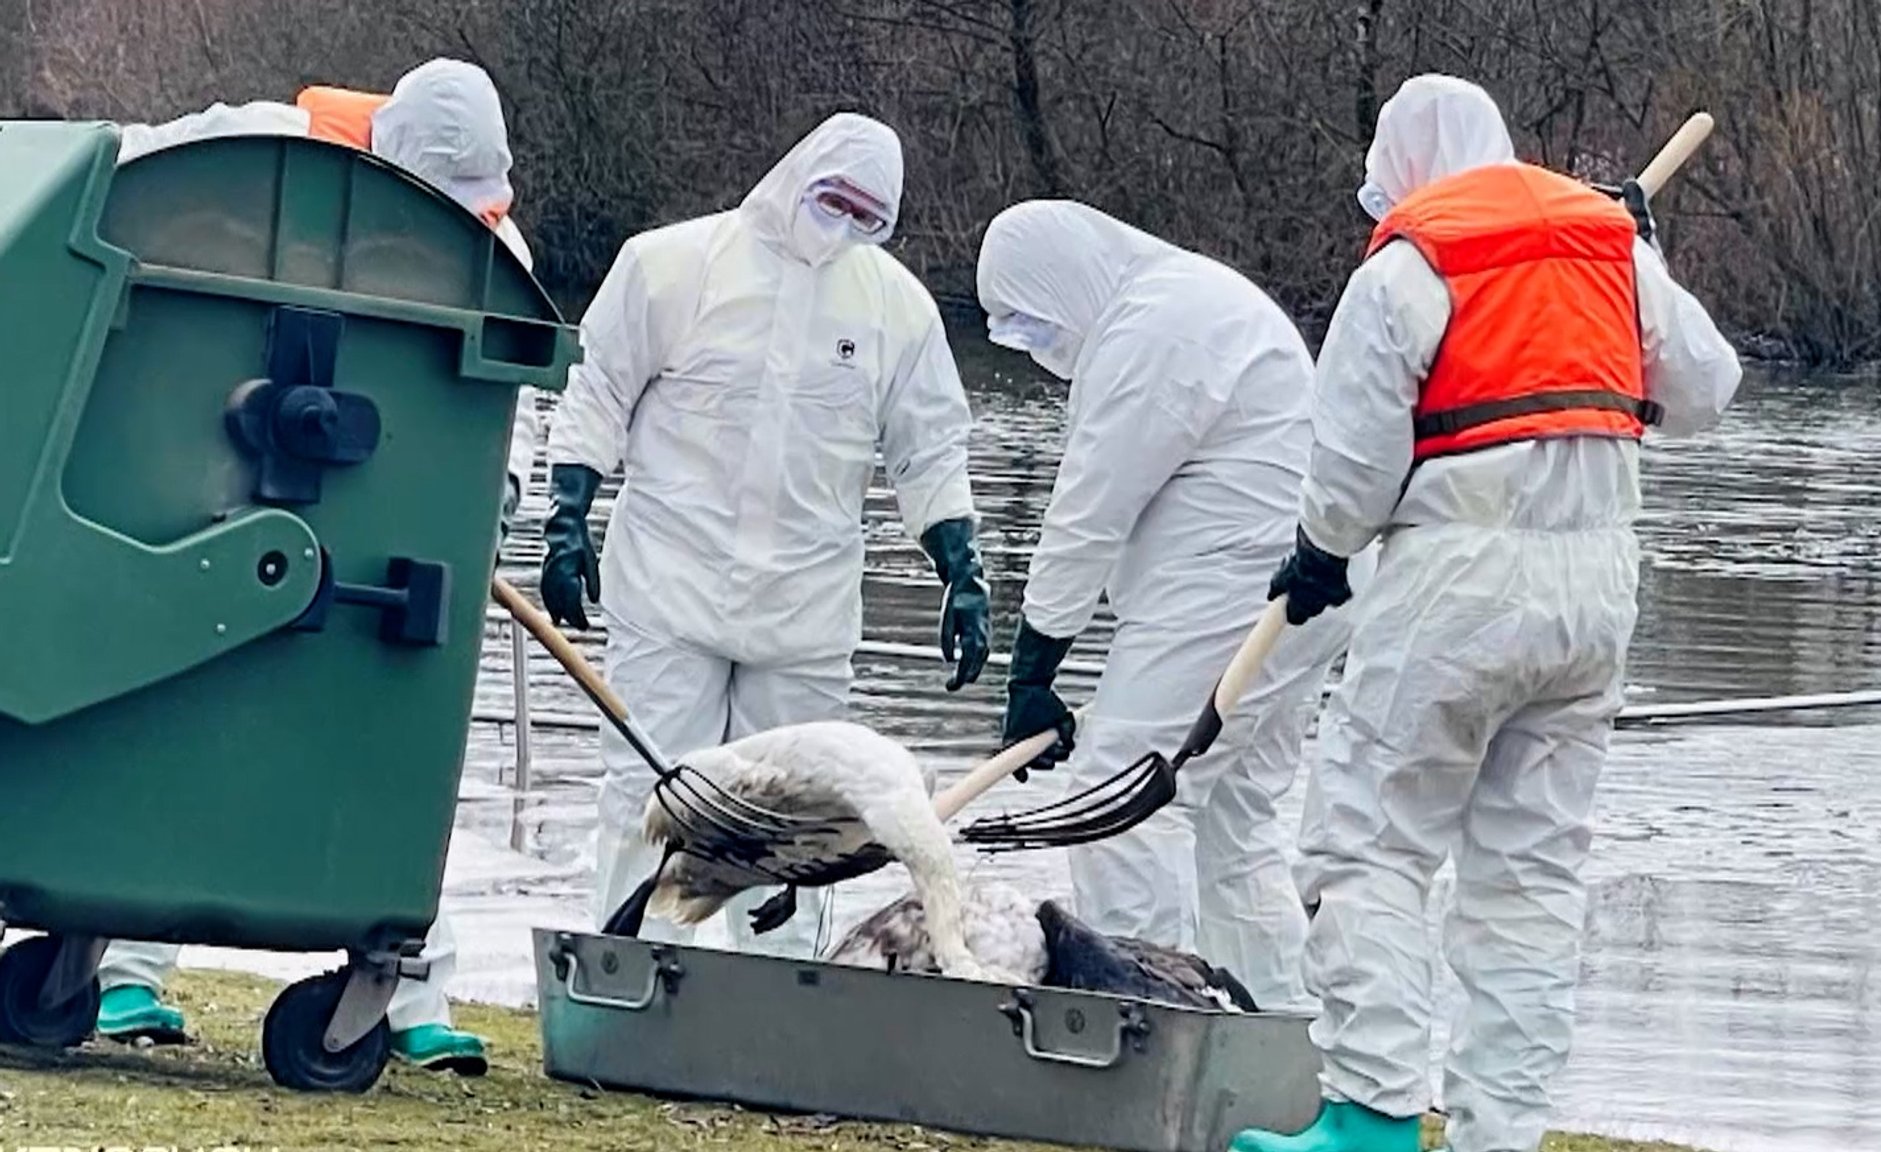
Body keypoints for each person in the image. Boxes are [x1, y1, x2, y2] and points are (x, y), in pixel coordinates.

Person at [1229, 75, 1743, 1152]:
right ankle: (1498, 1134)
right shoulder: (1607, 243)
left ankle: (1369, 1119)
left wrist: (1319, 554)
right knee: (1529, 878)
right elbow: (1705, 389)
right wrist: (1641, 258)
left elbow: (1353, 470)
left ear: (1401, 169)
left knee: (1370, 846)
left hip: (1454, 588)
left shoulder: (1409, 263)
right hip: (1593, 596)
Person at [92, 57, 543, 1076]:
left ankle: (407, 989)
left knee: (392, 748)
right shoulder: (251, 157)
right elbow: (115, 196)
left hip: (386, 523)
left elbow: (502, 396)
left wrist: (496, 499)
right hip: (211, 483)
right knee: (166, 714)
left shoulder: (490, 253)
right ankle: (120, 962)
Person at [542, 112, 990, 959]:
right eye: (834, 201)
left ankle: (775, 992)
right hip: (669, 588)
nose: (843, 225)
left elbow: (929, 448)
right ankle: (629, 976)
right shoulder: (671, 266)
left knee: (802, 821)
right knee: (650, 795)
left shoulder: (897, 309)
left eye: (867, 216)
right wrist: (567, 519)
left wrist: (960, 570)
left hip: (804, 614)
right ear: (797, 176)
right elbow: (597, 395)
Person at [976, 200, 1358, 1011]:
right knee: (1232, 826)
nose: (1040, 347)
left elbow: (1091, 508)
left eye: (1035, 324)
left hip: (1235, 588)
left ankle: (1146, 1017)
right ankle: (1283, 1034)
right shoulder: (1187, 303)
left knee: (1122, 799)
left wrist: (1033, 669)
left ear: (1062, 277)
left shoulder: (1155, 324)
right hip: (1291, 596)